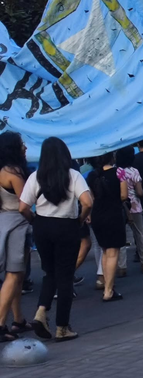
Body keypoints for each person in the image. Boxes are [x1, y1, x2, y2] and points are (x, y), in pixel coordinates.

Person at [20, 137, 92, 341]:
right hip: (66, 226)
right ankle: (62, 327)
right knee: (66, 276)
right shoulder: (73, 176)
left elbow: (22, 207)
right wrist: (79, 219)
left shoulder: (35, 177)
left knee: (49, 272)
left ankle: (41, 312)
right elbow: (87, 202)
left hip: (42, 226)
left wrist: (34, 220)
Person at [0, 133, 32, 341]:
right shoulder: (14, 174)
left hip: (4, 221)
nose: (25, 148)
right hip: (16, 225)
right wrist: (35, 218)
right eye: (21, 145)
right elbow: (24, 205)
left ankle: (18, 319)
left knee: (17, 275)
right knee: (13, 274)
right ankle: (1, 323)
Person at [86, 152, 127, 302]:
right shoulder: (119, 172)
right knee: (112, 252)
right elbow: (124, 195)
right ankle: (109, 290)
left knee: (104, 251)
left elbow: (91, 197)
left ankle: (106, 284)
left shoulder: (92, 176)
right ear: (111, 157)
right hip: (113, 214)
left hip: (97, 215)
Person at [116, 146, 143, 274]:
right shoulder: (134, 171)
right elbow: (139, 191)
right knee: (139, 234)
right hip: (135, 206)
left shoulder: (117, 171)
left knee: (121, 237)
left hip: (121, 206)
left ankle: (122, 266)